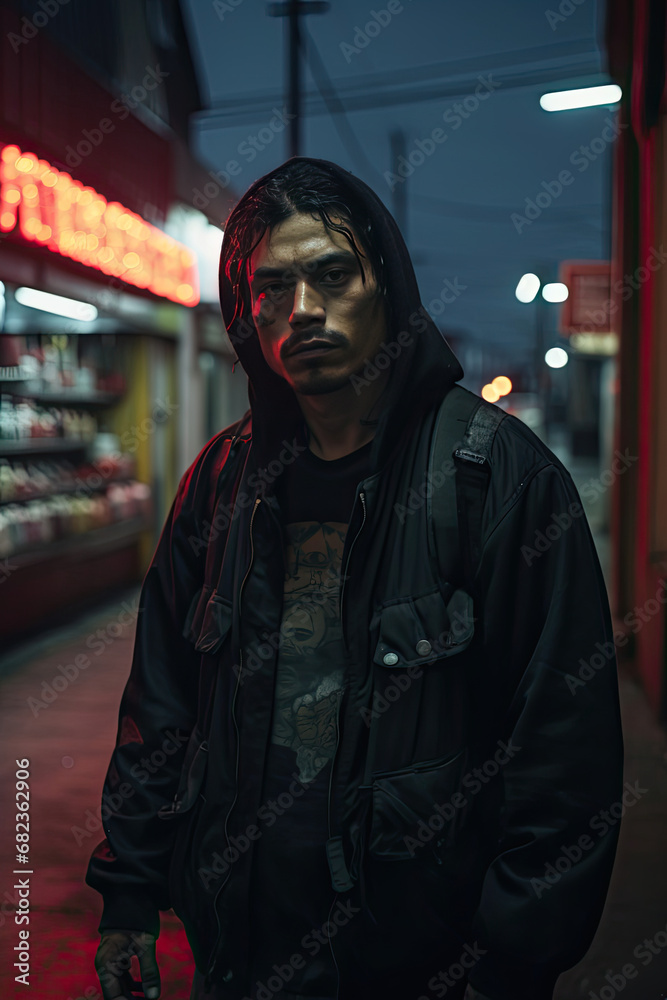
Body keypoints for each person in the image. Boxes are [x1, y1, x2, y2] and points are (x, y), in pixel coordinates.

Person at [87, 157, 624, 1000]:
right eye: (271, 289)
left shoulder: (495, 479)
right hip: (240, 954)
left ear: (387, 287)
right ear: (245, 314)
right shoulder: (221, 483)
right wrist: (128, 891)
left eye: (333, 275)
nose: (303, 311)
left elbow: (562, 754)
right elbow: (161, 706)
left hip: (423, 966)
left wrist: (511, 960)